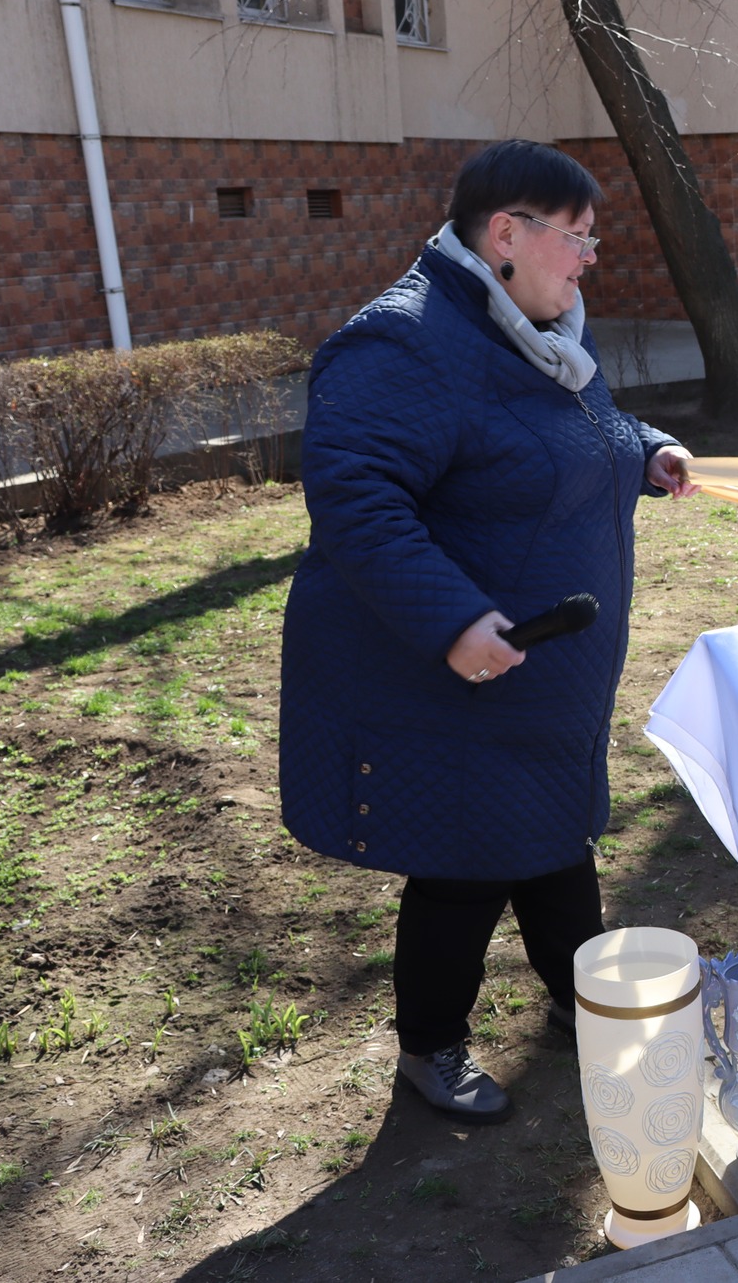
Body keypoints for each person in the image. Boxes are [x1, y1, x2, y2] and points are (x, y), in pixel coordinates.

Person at [279, 139, 699, 1124]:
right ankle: (429, 1048)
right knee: (464, 861)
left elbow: (569, 432)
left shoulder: (528, 328)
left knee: (554, 835)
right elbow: (357, 499)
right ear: (505, 234)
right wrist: (455, 619)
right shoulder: (406, 343)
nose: (591, 259)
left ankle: (577, 997)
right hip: (461, 671)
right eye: (580, 238)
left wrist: (646, 451)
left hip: (546, 671)